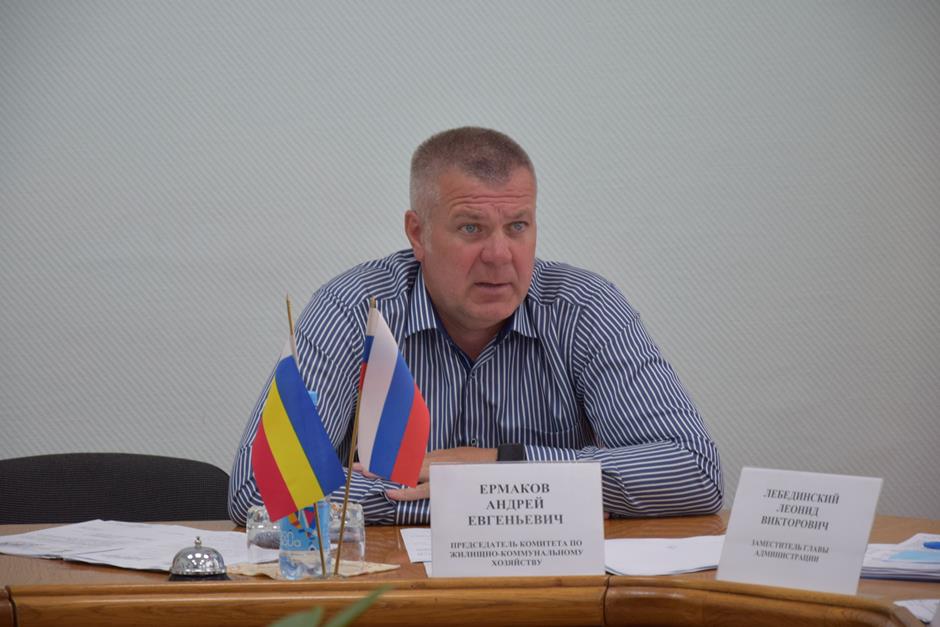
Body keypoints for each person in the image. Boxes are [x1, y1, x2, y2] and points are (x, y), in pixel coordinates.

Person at [229, 127, 722, 525]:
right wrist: (501, 496)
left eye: (518, 227)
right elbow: (259, 489)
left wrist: (499, 464)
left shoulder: (582, 308)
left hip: (546, 589)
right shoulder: (355, 309)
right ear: (418, 233)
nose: (500, 255)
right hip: (390, 595)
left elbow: (694, 471)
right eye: (471, 228)